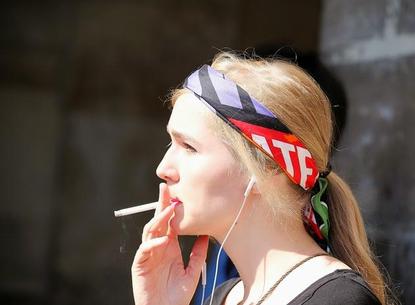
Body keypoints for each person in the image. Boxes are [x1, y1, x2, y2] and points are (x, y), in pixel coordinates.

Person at [131, 51, 390, 305]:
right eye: (171, 144)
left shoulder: (338, 300)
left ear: (267, 167)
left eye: (189, 147)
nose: (163, 169)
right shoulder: (223, 297)